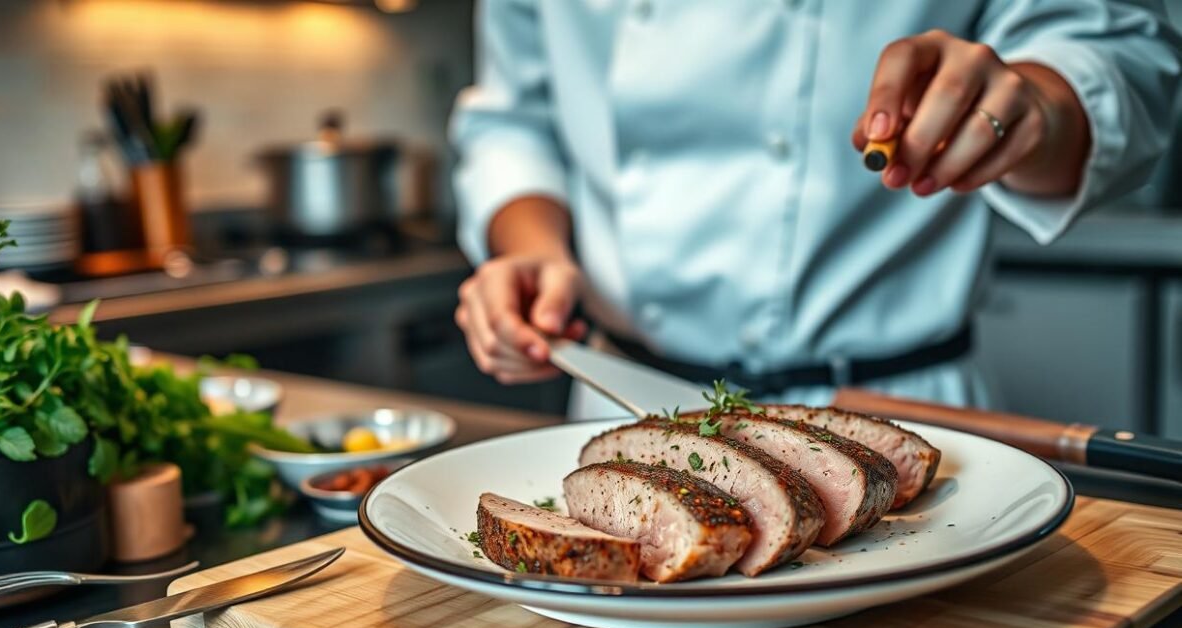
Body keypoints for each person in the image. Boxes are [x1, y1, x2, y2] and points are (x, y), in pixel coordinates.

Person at [449, 0, 1182, 417]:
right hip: (625, 401)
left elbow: (1118, 55)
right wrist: (532, 251)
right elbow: (515, 118)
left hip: (894, 407)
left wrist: (1030, 106)